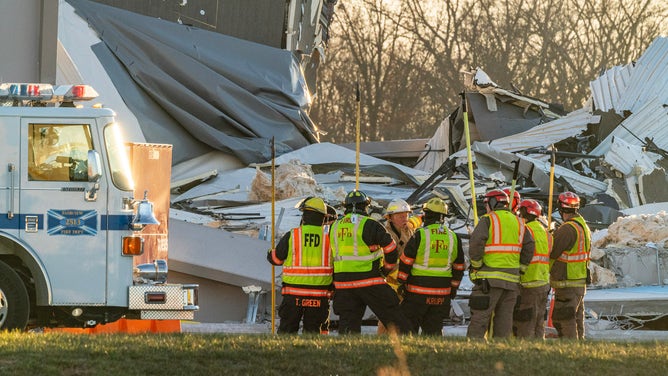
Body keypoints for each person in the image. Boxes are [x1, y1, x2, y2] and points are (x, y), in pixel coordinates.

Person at [330, 190, 410, 334]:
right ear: (365, 206)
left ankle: (347, 351)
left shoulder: (334, 227)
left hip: (343, 284)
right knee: (394, 316)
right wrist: (386, 269)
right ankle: (405, 344)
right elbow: (391, 249)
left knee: (348, 324)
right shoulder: (370, 224)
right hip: (369, 280)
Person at [466, 189, 535, 339]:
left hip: (488, 280)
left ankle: (473, 346)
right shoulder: (519, 222)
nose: (486, 207)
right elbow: (529, 247)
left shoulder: (488, 219)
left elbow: (476, 243)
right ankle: (500, 348)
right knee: (504, 319)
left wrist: (476, 265)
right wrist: (521, 269)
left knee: (480, 316)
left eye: (486, 203)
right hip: (511, 282)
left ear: (492, 202)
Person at [397, 197, 465, 335]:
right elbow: (459, 267)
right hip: (441, 294)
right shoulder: (453, 237)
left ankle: (407, 354)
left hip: (417, 293)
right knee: (434, 330)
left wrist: (401, 282)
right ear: (443, 217)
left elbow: (406, 261)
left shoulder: (420, 235)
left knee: (408, 329)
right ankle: (432, 354)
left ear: (427, 215)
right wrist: (453, 288)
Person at [267, 197, 333, 334]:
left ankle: (285, 355)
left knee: (287, 331)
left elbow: (276, 259)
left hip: (293, 294)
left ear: (305, 215)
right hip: (319, 295)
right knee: (314, 333)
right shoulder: (330, 238)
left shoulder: (293, 235)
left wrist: (270, 252)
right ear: (323, 217)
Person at [549, 191, 591, 339]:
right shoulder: (582, 225)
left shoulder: (567, 229)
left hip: (567, 283)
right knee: (576, 319)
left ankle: (569, 348)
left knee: (564, 319)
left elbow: (553, 252)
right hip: (578, 281)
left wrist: (550, 237)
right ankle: (579, 347)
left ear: (561, 208)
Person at [513, 199, 552, 338]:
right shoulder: (544, 231)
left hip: (529, 282)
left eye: (520, 211)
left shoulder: (525, 230)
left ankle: (526, 351)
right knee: (539, 323)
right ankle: (538, 350)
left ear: (524, 212)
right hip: (543, 282)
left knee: (526, 323)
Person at [377, 198, 415, 334]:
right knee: (387, 315)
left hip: (404, 280)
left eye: (406, 215)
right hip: (389, 281)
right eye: (400, 216)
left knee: (404, 314)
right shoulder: (385, 233)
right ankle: (382, 339)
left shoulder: (408, 231)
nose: (404, 219)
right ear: (390, 218)